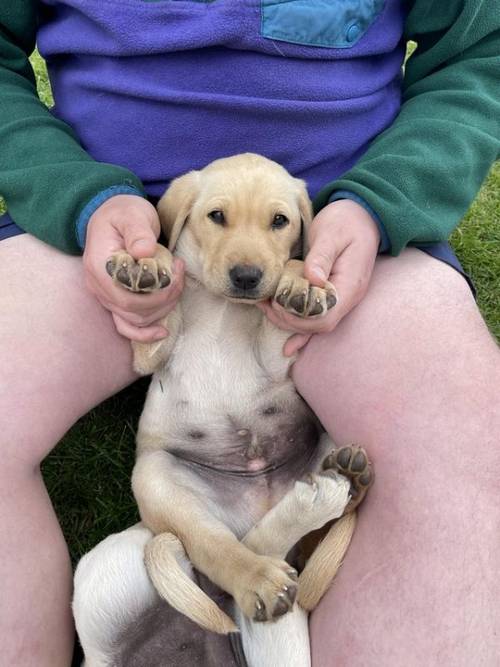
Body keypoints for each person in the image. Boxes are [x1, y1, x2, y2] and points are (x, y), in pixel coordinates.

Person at [1, 1, 499, 665]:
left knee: (463, 462)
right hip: (105, 223)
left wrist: (379, 202)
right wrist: (77, 195)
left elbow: (477, 57)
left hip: (333, 230)